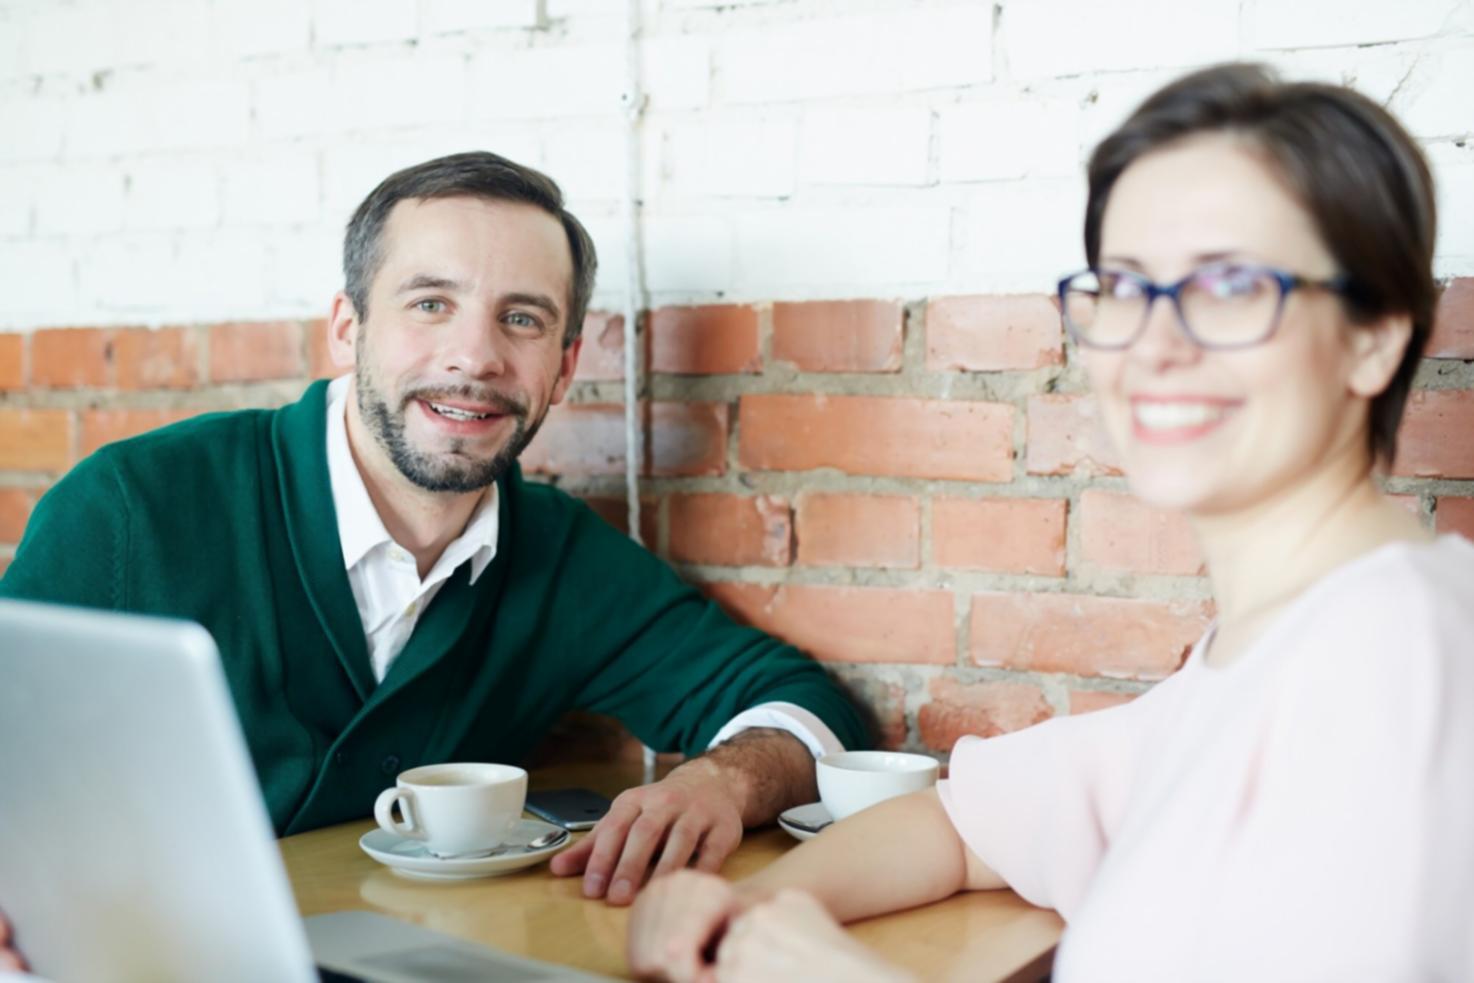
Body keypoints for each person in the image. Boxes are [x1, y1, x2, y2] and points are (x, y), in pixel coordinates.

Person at [626, 63, 1474, 982]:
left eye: (1229, 286)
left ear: (1375, 333)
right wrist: (739, 916)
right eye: (1125, 286)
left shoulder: (1400, 657)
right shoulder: (1246, 661)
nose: (1156, 341)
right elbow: (965, 824)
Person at [0, 152, 868, 926]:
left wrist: (722, 779)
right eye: (430, 303)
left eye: (521, 319)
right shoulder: (129, 509)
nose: (475, 355)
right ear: (348, 328)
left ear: (563, 368)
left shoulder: (559, 556)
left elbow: (801, 701)